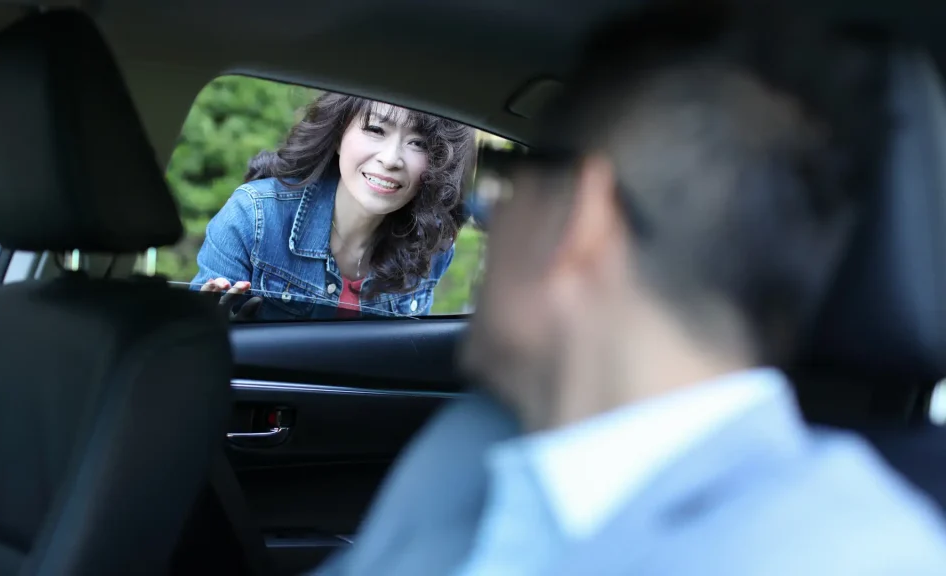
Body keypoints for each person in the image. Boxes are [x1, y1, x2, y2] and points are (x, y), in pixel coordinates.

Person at [318, 1, 946, 575]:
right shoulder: (471, 451)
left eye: (504, 184)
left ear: (581, 220)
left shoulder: (843, 559)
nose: (490, 220)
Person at [192, 93, 475, 320]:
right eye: (376, 129)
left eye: (418, 143)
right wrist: (208, 325)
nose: (391, 159)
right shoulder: (254, 215)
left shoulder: (431, 244)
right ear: (339, 136)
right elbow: (195, 344)